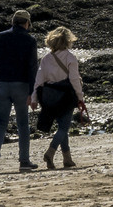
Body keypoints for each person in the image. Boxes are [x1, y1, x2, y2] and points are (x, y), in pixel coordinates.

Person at [0, 9, 40, 174]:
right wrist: (32, 92)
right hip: (21, 86)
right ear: (27, 23)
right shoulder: (30, 40)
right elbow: (32, 68)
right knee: (23, 124)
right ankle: (24, 161)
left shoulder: (0, 37)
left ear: (13, 22)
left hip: (1, 85)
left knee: (1, 123)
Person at [32, 26, 87, 170]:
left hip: (49, 96)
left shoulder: (46, 59)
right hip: (66, 96)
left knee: (62, 127)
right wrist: (80, 97)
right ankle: (50, 152)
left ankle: (67, 159)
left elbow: (39, 80)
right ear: (68, 41)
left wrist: (34, 99)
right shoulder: (70, 57)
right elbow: (75, 79)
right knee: (63, 127)